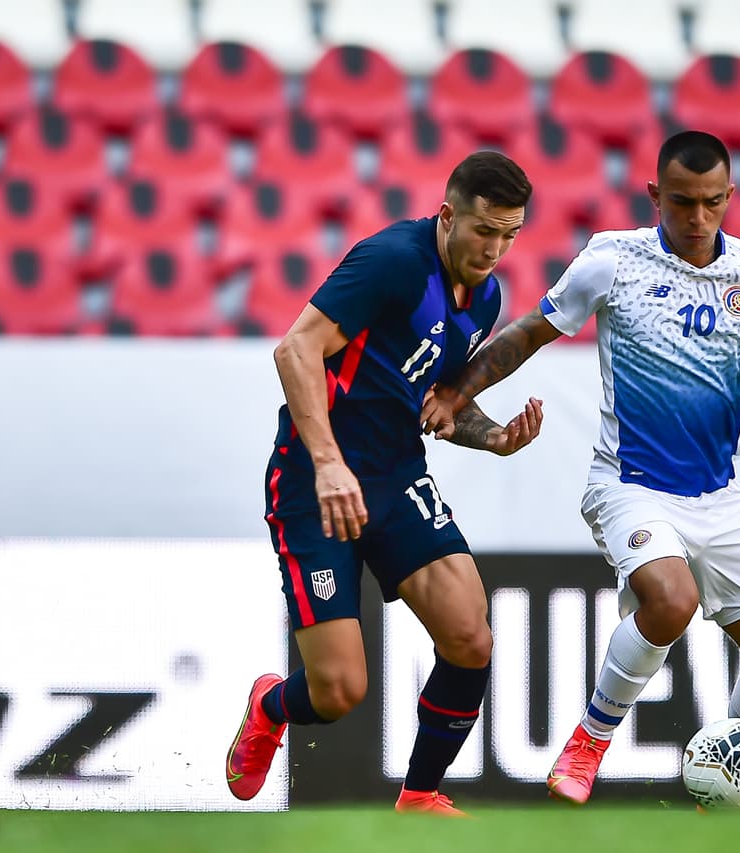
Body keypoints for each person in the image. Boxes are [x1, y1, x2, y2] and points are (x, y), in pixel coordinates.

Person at [421, 131, 740, 807]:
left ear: (729, 197)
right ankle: (588, 742)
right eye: (682, 202)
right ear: (656, 195)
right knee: (671, 598)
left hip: (718, 497)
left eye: (712, 202)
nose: (697, 218)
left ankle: (729, 789)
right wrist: (457, 393)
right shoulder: (613, 259)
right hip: (629, 485)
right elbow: (531, 331)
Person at [225, 151, 543, 816]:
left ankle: (420, 793)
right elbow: (296, 349)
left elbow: (430, 407)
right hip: (316, 483)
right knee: (339, 690)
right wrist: (330, 462)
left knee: (470, 635)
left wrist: (493, 436)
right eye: (484, 230)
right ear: (449, 215)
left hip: (397, 478)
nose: (494, 249)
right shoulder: (395, 259)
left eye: (509, 234)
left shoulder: (485, 298)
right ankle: (270, 703)